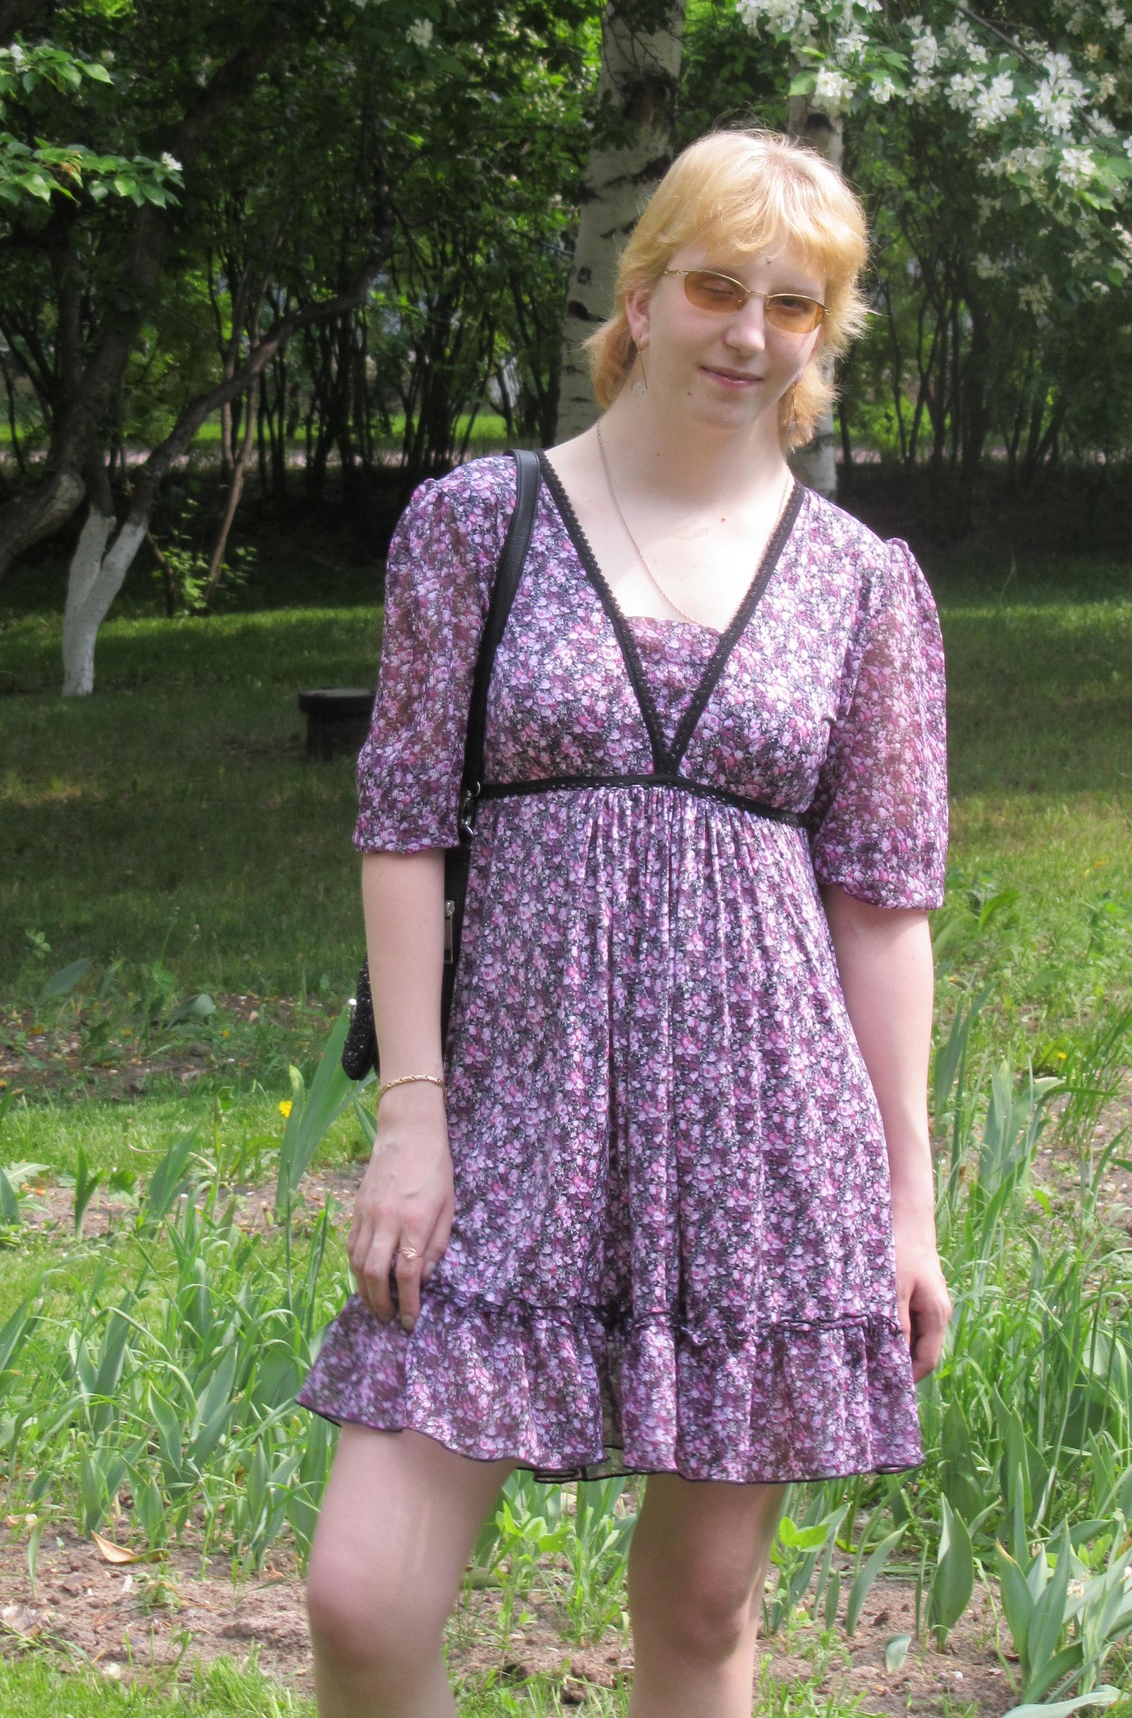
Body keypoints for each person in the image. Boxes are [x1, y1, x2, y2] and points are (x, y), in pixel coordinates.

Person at [300, 127, 952, 1718]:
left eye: (791, 306)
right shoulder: (480, 524)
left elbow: (882, 908)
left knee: (703, 1606)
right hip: (511, 1117)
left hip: (761, 1139)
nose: (748, 334)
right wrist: (410, 1118)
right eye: (717, 289)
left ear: (823, 335)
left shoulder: (861, 585)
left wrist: (907, 1205)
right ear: (642, 295)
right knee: (364, 1597)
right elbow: (402, 825)